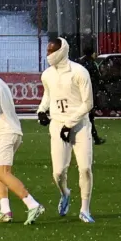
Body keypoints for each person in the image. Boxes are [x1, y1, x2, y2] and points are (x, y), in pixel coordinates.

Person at [0, 49, 45, 225]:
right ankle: (5, 211)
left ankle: (32, 204)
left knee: (2, 172)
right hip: (12, 130)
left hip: (4, 132)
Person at [36, 36, 95, 223]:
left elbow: (88, 104)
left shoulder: (79, 72)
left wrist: (70, 124)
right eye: (47, 51)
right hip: (57, 126)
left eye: (51, 51)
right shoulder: (47, 75)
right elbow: (48, 96)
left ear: (62, 51)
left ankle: (85, 209)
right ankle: (65, 193)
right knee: (58, 173)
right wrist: (41, 110)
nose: (49, 55)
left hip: (80, 127)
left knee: (85, 168)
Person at [76, 43, 106, 146]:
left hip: (78, 92)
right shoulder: (92, 64)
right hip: (89, 92)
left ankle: (92, 137)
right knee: (89, 116)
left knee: (84, 115)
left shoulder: (78, 62)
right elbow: (97, 78)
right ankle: (94, 138)